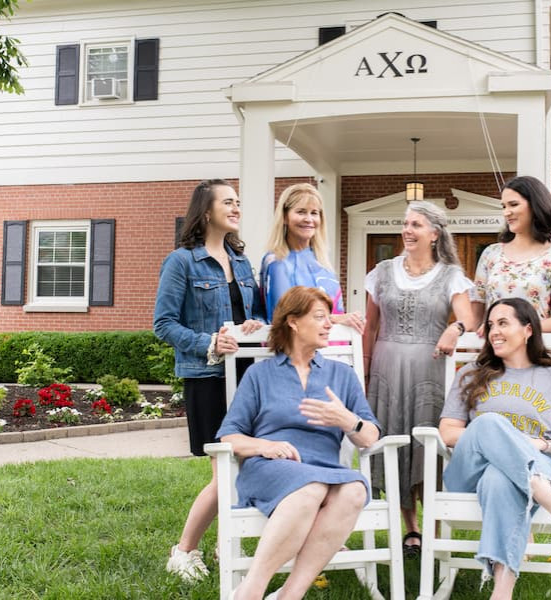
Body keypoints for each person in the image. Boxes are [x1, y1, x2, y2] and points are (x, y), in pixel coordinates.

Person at [440, 298, 551, 599]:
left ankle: (502, 591)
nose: (493, 331)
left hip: (534, 464)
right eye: (490, 324)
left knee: (501, 479)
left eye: (503, 323)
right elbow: (447, 432)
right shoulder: (471, 372)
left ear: (527, 330)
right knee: (489, 424)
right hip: (470, 471)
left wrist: (541, 443)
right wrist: (497, 436)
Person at [216, 286, 380, 600]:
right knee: (311, 488)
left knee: (355, 489)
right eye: (319, 317)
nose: (329, 324)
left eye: (329, 317)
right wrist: (263, 446)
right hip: (270, 467)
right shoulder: (259, 374)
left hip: (323, 469)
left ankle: (290, 594)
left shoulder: (341, 375)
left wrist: (348, 421)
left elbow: (369, 435)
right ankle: (251, 589)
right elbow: (230, 435)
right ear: (293, 322)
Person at [153, 179, 264, 582]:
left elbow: (259, 317)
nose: (236, 208)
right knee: (224, 471)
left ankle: (224, 546)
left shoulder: (242, 261)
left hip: (247, 376)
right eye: (228, 202)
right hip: (208, 376)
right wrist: (210, 342)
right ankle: (184, 551)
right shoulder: (182, 261)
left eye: (238, 202)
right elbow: (163, 324)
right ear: (206, 212)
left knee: (240, 466)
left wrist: (255, 325)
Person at [363, 200, 476, 557]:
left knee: (428, 447)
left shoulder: (451, 275)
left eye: (416, 225)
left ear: (434, 233)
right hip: (385, 369)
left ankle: (436, 529)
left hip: (429, 372)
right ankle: (409, 529)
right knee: (393, 440)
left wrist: (455, 328)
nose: (407, 231)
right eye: (406, 224)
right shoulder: (382, 271)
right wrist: (364, 372)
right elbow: (370, 326)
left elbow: (469, 320)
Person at [471, 175, 551, 334]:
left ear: (535, 206)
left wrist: (515, 330)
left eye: (513, 204)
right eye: (503, 206)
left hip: (535, 351)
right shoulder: (490, 254)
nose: (506, 212)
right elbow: (475, 315)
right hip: (493, 351)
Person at [260, 182, 364, 334]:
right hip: (297, 350)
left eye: (314, 213)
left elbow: (338, 308)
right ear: (284, 217)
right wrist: (334, 319)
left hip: (333, 347)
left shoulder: (321, 261)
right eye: (301, 212)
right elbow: (285, 318)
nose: (309, 219)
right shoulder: (277, 262)